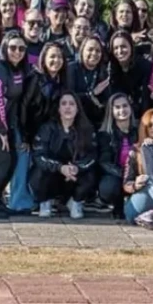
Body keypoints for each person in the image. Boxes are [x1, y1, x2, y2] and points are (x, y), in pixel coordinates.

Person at [30, 90, 97, 219]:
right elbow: (39, 156)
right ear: (59, 109)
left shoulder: (87, 129)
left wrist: (76, 168)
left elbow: (92, 156)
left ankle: (75, 202)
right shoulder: (47, 128)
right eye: (64, 104)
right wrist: (60, 168)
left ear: (77, 109)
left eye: (72, 104)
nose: (67, 107)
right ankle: (45, 202)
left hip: (73, 178)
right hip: (52, 175)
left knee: (90, 175)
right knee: (37, 174)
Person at [0, 33, 28, 217]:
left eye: (21, 48)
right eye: (13, 48)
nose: (17, 52)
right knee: (2, 161)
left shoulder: (18, 70)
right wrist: (2, 131)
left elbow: (14, 103)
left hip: (4, 124)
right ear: (5, 48)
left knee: (12, 160)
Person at [123, 109, 153, 227]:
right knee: (131, 215)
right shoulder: (135, 151)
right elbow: (126, 184)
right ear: (144, 128)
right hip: (146, 193)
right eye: (150, 125)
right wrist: (135, 184)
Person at [97, 93, 138, 216]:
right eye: (117, 107)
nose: (122, 110)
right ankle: (117, 203)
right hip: (116, 174)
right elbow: (104, 162)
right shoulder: (105, 134)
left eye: (125, 106)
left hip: (137, 173)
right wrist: (124, 175)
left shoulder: (140, 130)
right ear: (112, 111)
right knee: (108, 188)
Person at [21, 42, 67, 146]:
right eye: (52, 56)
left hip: (47, 133)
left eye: (60, 57)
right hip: (28, 131)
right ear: (44, 58)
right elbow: (23, 106)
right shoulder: (34, 78)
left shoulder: (61, 82)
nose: (56, 60)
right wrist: (25, 137)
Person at [67, 36, 110, 128]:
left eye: (98, 51)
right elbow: (69, 96)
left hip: (95, 120)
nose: (94, 53)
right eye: (90, 49)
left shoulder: (102, 71)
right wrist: (91, 94)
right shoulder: (71, 68)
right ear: (82, 51)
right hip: (74, 118)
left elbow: (106, 99)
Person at [108, 30, 151, 118]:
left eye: (123, 47)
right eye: (116, 48)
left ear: (131, 47)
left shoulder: (144, 66)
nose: (119, 51)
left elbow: (145, 99)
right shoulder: (110, 68)